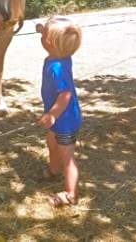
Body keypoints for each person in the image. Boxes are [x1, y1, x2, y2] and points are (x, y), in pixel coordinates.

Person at [36, 16, 82, 207]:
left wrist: (53, 114)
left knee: (68, 158)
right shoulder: (61, 55)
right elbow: (55, 36)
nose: (41, 36)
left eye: (44, 34)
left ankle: (71, 195)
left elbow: (65, 95)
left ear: (50, 42)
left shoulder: (57, 68)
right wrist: (43, 29)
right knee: (51, 143)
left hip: (65, 121)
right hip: (58, 119)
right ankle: (53, 170)